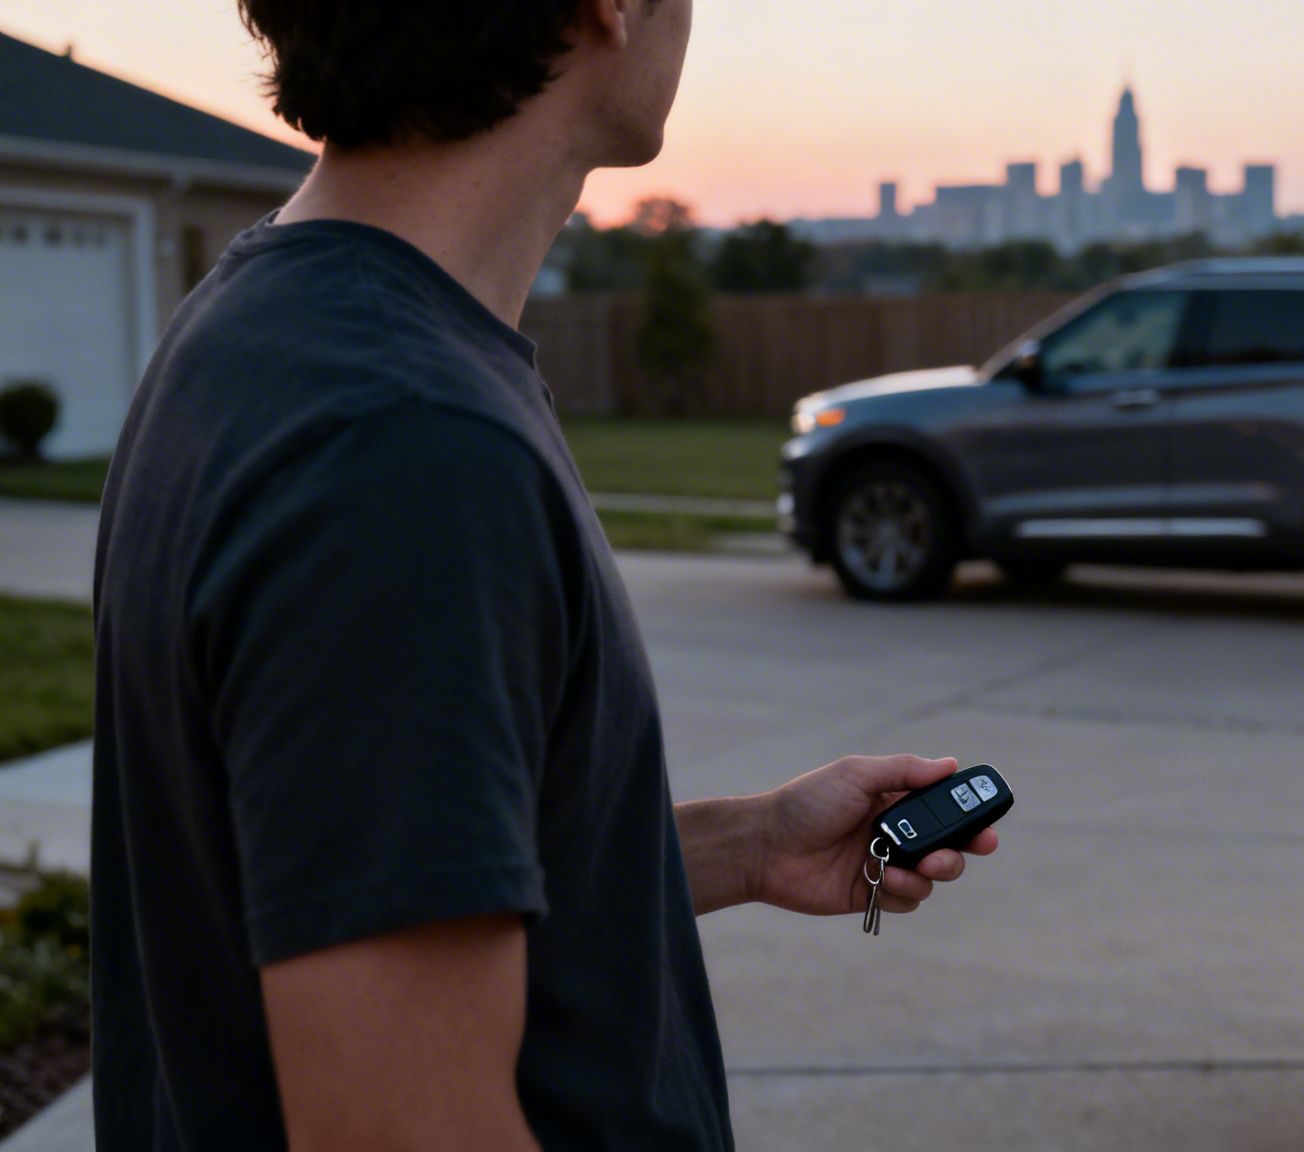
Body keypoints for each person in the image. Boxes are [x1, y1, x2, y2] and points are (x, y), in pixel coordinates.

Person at [88, 0, 997, 1146]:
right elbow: (402, 1131)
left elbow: (376, 858)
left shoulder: (263, 331)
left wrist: (749, 843)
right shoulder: (401, 443)